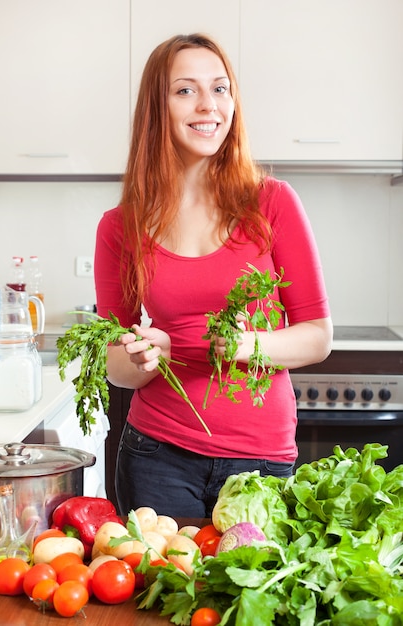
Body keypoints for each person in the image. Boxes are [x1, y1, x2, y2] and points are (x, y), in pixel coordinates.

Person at [94, 33, 332, 518]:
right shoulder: (121, 226)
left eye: (220, 88)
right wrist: (140, 359)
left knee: (251, 591)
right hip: (156, 454)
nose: (208, 105)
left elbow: (317, 337)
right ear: (157, 108)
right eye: (185, 90)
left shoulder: (273, 203)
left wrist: (247, 346)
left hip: (260, 460)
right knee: (162, 593)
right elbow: (113, 361)